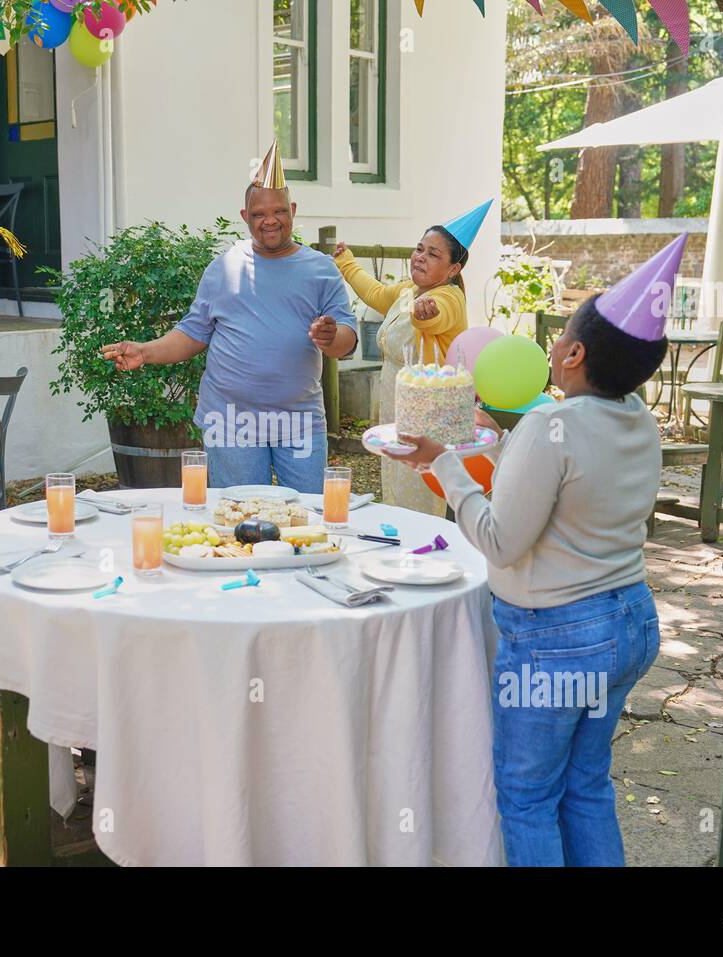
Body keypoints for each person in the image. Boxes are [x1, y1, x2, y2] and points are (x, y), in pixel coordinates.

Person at [385, 235, 688, 866]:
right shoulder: (636, 417)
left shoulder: (552, 429)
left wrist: (448, 466)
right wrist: (500, 449)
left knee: (525, 797)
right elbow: (573, 489)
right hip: (628, 622)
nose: (550, 343)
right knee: (585, 785)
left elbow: (499, 539)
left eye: (560, 334)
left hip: (557, 639)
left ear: (573, 352)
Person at [100, 141, 357, 493]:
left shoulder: (321, 270)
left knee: (307, 519)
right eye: (258, 214)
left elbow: (347, 340)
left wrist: (332, 337)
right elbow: (193, 333)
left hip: (300, 422)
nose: (270, 220)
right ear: (244, 217)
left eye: (279, 211)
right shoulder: (224, 267)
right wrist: (145, 352)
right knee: (240, 522)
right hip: (230, 422)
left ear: (293, 210)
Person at [332, 200, 490, 515]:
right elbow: (376, 294)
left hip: (427, 415)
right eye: (420, 249)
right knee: (394, 483)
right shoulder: (409, 291)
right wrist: (346, 261)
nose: (421, 257)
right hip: (396, 406)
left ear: (453, 269)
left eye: (434, 254)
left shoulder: (449, 297)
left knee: (419, 491)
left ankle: (426, 553)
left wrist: (425, 316)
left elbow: (435, 318)